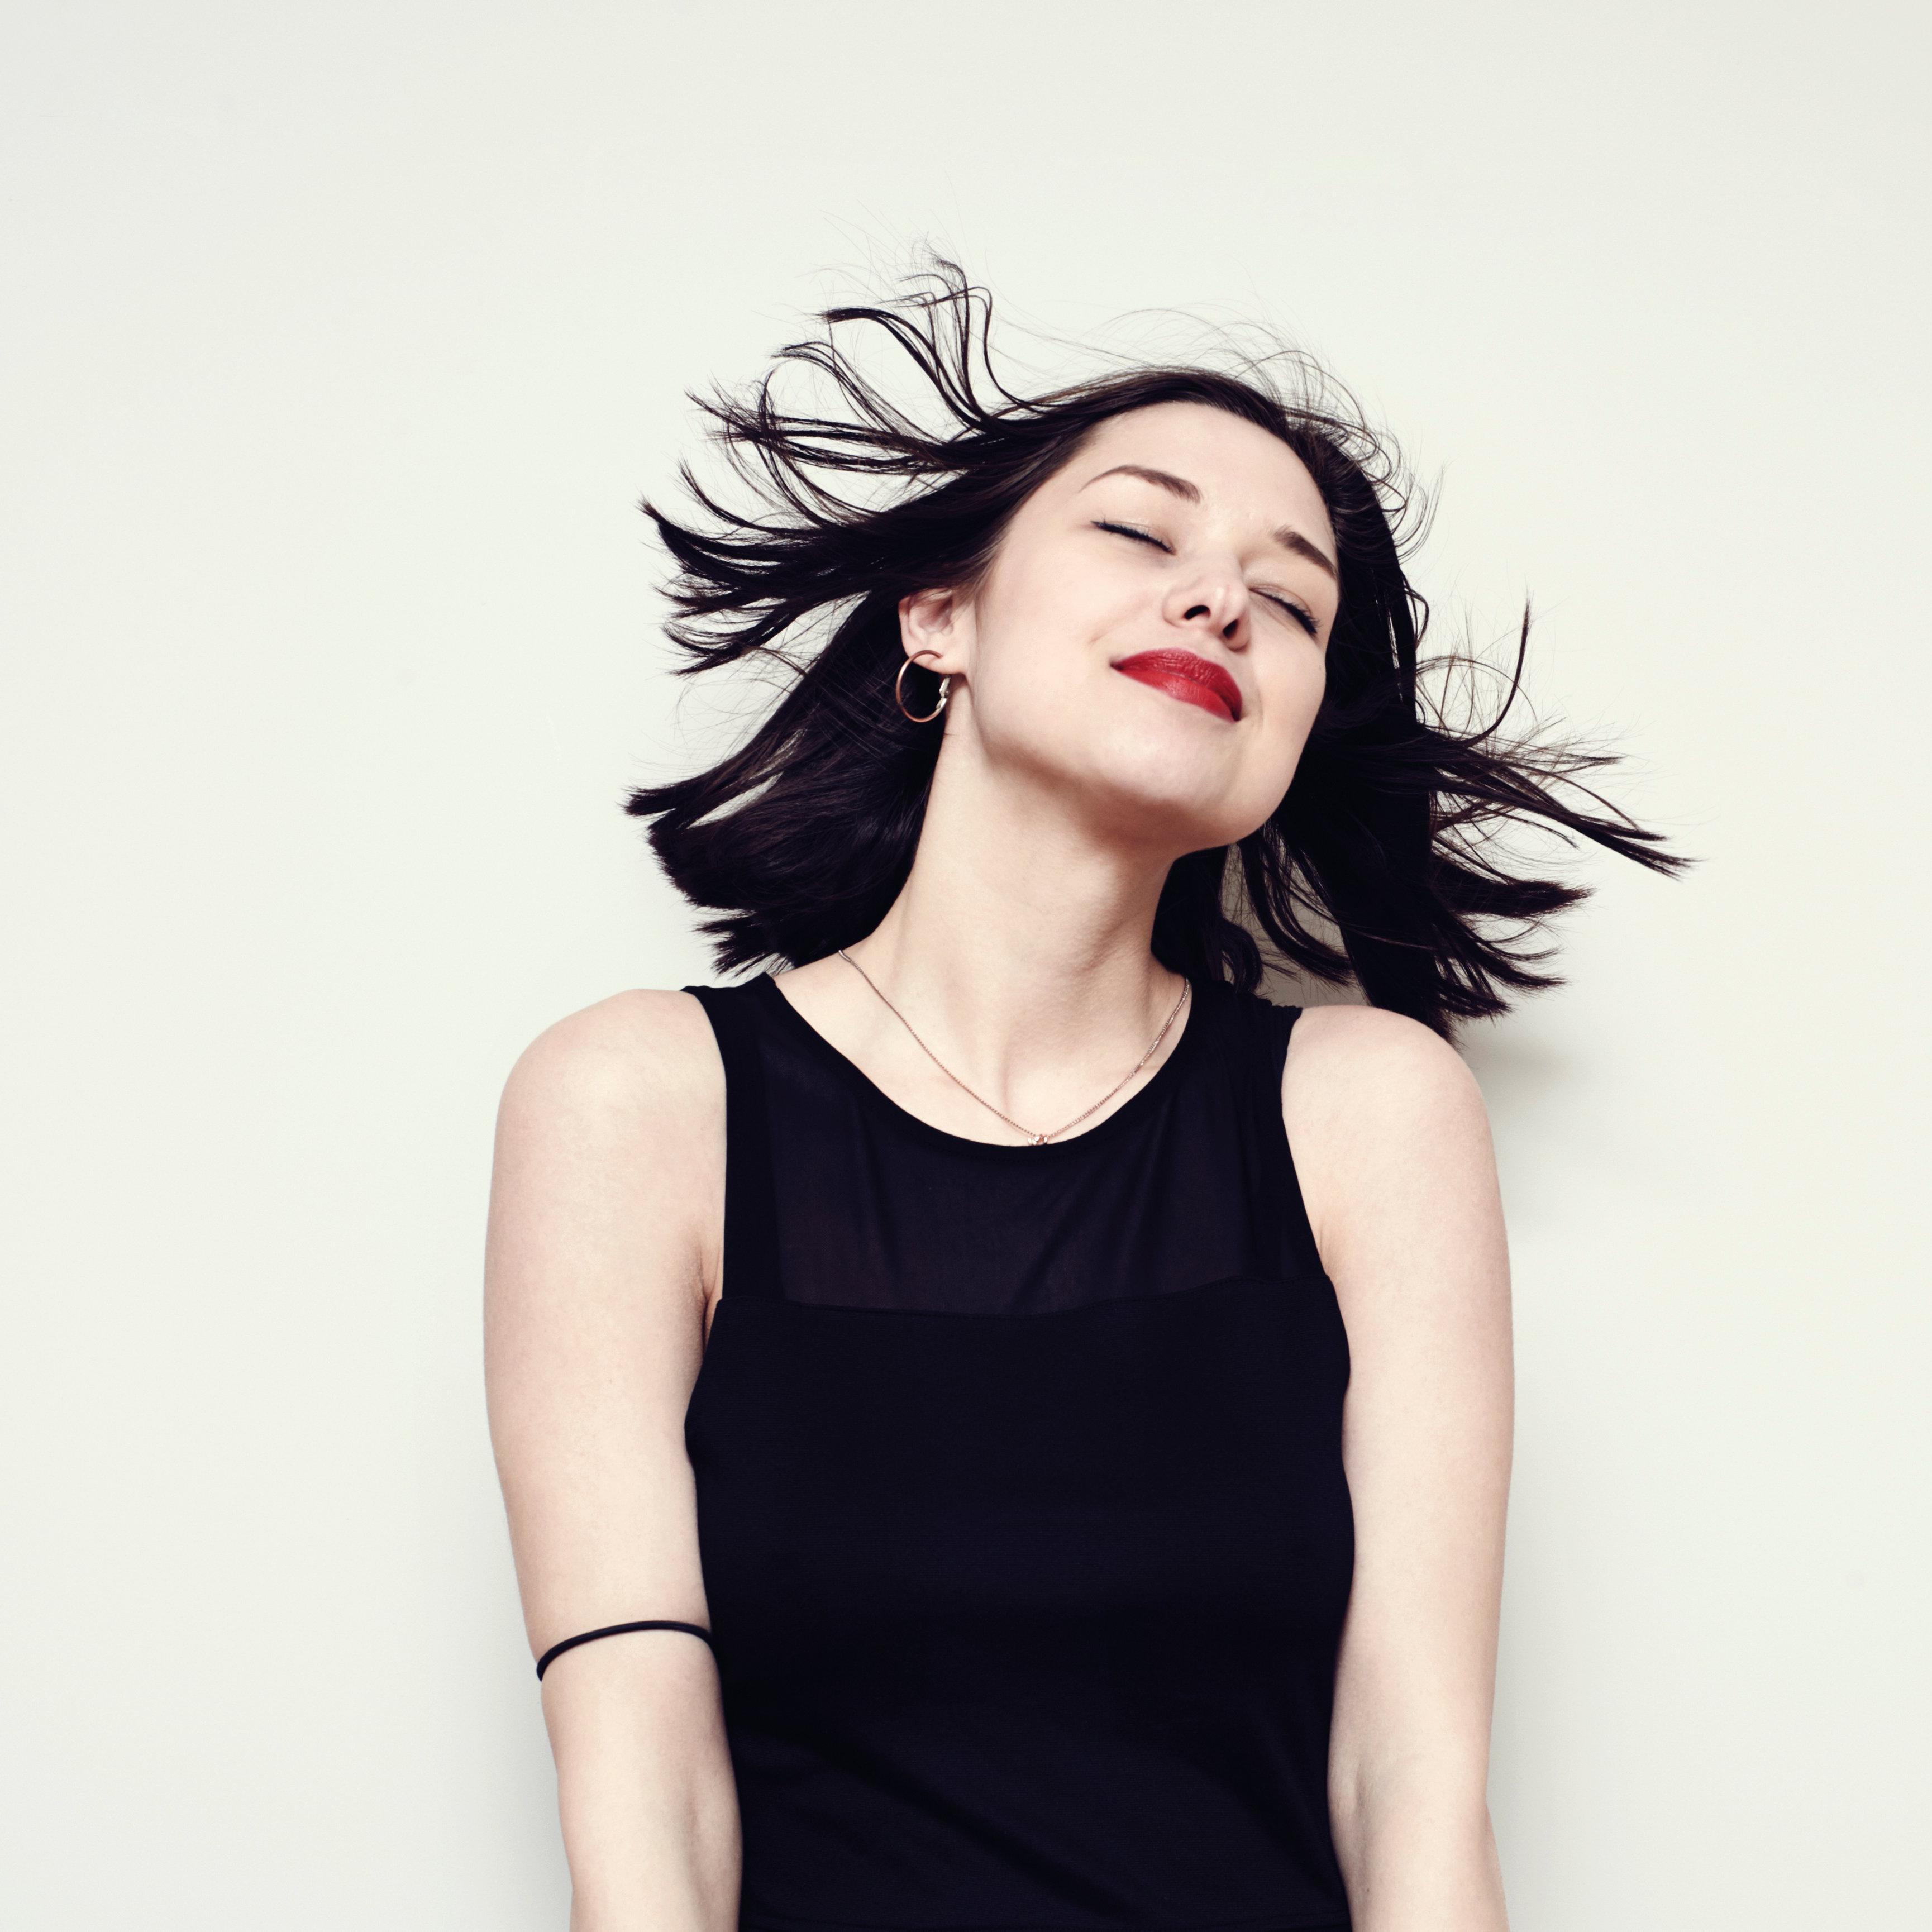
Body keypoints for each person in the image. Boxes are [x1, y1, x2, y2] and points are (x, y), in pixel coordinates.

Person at [483, 263, 1679, 1932]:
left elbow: (1409, 1789)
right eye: (1138, 530)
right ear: (939, 618)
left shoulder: (1368, 1112)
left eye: (1293, 602)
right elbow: (645, 1814)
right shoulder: (633, 1103)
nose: (1223, 601)